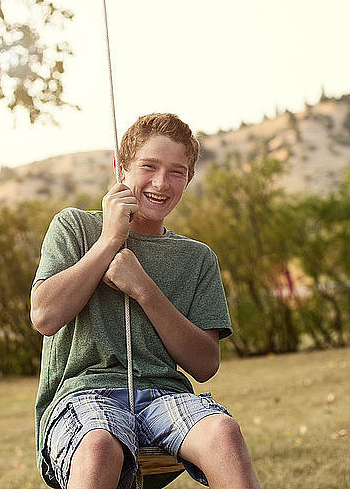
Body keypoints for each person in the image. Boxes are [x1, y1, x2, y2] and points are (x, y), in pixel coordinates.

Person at [31, 113, 261, 489]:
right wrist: (107, 241)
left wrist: (143, 288)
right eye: (148, 166)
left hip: (163, 397)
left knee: (223, 432)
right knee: (99, 448)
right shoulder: (74, 227)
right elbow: (43, 316)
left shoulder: (197, 258)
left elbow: (204, 364)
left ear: (189, 179)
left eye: (176, 172)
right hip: (85, 394)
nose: (160, 183)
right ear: (121, 169)